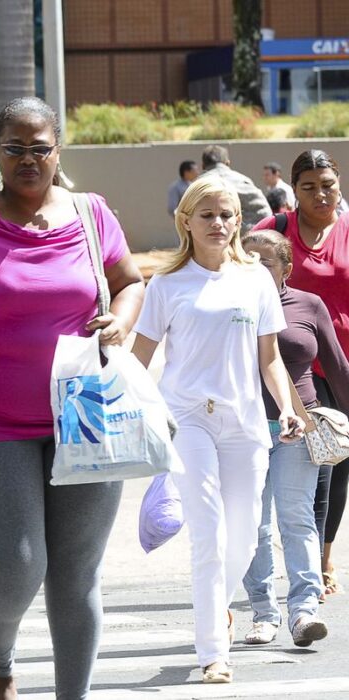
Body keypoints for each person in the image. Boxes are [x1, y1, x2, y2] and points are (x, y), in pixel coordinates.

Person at [0, 97, 145, 700]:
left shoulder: (92, 213)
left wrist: (121, 320)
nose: (27, 159)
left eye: (39, 148)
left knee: (76, 572)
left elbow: (129, 282)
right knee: (13, 565)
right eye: (14, 148)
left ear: (57, 151)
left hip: (86, 414)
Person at [131, 176, 301, 685]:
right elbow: (140, 358)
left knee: (244, 539)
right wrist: (138, 412)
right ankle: (213, 652)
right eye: (207, 215)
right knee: (208, 534)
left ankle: (217, 609)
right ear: (186, 221)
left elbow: (270, 358)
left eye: (227, 215)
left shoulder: (256, 281)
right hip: (188, 420)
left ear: (238, 221)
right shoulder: (166, 284)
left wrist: (287, 408)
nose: (218, 224)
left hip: (245, 422)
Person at [239, 229, 346, 649]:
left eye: (264, 262)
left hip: (296, 426)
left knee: (297, 518)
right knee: (254, 524)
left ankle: (304, 612)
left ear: (286, 268)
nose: (253, 268)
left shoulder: (308, 304)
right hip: (242, 429)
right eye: (246, 259)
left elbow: (337, 366)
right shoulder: (229, 306)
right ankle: (264, 613)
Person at [250, 150, 349, 598]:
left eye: (327, 185)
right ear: (294, 190)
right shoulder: (275, 229)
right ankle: (300, 567)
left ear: (339, 184)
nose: (320, 195)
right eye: (309, 187)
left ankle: (323, 555)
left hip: (341, 362)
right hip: (294, 366)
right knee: (309, 471)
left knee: (337, 464)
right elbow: (240, 260)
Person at [201, 145, 270, 231]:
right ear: (227, 163)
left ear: (203, 166)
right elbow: (265, 214)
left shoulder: (196, 185)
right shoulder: (243, 181)